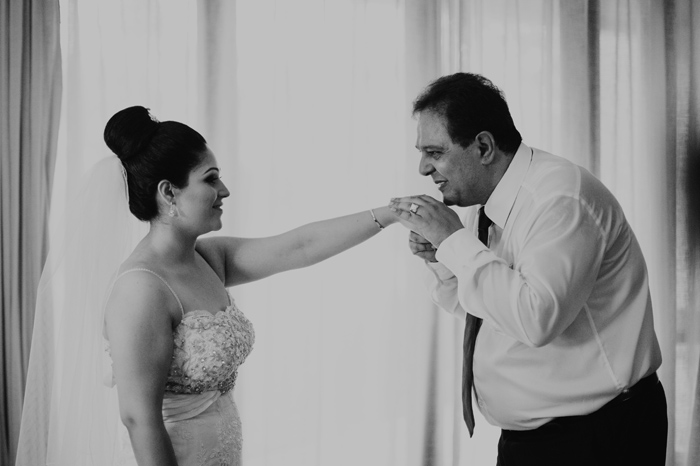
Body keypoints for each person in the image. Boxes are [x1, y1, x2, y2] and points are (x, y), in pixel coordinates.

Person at [16, 105, 398, 466]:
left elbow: (300, 246)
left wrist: (393, 213)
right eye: (211, 178)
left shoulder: (209, 258)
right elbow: (138, 418)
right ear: (169, 193)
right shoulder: (141, 289)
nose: (225, 190)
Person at [389, 72, 667, 466]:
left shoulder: (560, 199)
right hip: (536, 439)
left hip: (595, 436)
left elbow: (536, 319)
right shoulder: (487, 203)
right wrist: (443, 258)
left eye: (434, 152)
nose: (422, 168)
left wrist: (454, 242)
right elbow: (487, 309)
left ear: (483, 147)